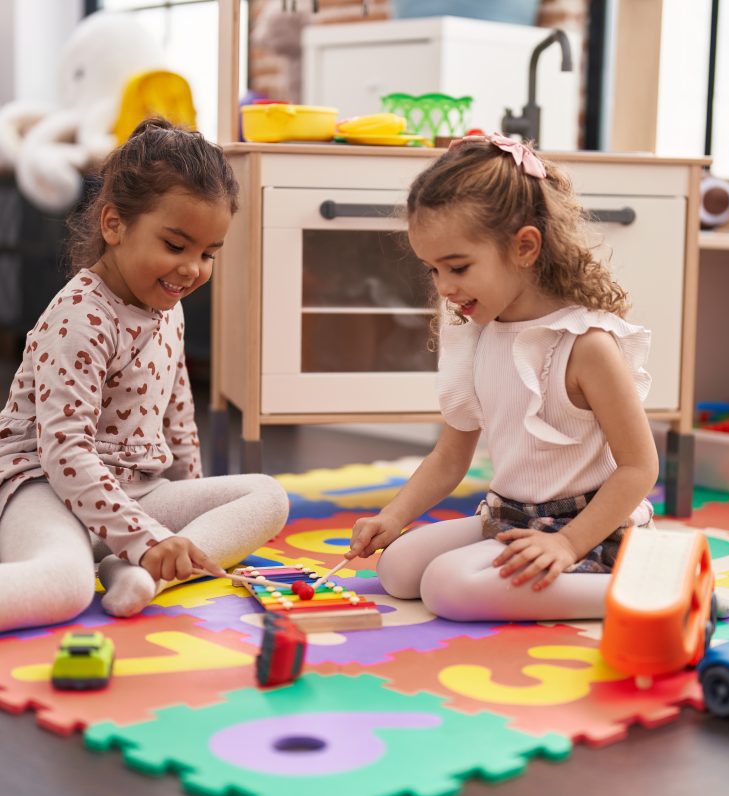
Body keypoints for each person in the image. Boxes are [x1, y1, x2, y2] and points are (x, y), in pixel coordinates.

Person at [346, 133, 660, 622]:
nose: (445, 288)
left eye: (458, 267)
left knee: (447, 588)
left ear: (525, 247)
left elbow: (640, 467)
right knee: (399, 569)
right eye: (432, 270)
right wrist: (393, 516)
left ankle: (655, 590)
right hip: (508, 517)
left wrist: (567, 545)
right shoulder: (477, 335)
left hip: (591, 527)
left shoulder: (586, 345)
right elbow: (451, 455)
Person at [0, 119, 289, 632]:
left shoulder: (167, 308)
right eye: (176, 246)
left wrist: (174, 518)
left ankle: (142, 571)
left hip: (138, 490)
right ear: (114, 225)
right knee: (63, 586)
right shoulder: (78, 317)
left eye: (208, 254)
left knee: (266, 495)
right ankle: (133, 558)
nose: (192, 269)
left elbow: (177, 417)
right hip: (46, 488)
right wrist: (148, 537)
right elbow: (63, 451)